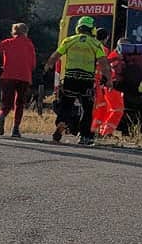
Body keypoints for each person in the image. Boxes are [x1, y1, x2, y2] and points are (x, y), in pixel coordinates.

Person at [45, 15, 111, 146]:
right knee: (87, 109)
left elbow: (55, 56)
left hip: (70, 79)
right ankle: (84, 136)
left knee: (66, 105)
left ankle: (61, 123)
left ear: (78, 28)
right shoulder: (96, 44)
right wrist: (108, 79)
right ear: (92, 29)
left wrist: (47, 68)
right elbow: (103, 63)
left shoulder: (69, 41)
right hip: (86, 81)